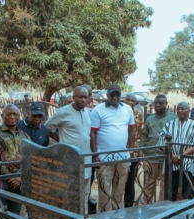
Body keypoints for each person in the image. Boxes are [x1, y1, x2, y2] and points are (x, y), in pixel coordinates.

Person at [44, 86, 93, 207]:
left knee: (85, 191)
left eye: (85, 97)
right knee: (70, 191)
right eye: (80, 97)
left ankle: (84, 216)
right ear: (74, 97)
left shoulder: (87, 112)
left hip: (86, 157)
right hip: (70, 159)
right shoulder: (63, 112)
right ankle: (69, 216)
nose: (83, 100)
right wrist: (60, 140)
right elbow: (48, 127)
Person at [90, 84, 135, 212]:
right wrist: (95, 155)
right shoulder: (98, 110)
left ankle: (117, 216)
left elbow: (131, 130)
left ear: (120, 95)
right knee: (104, 190)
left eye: (117, 95)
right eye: (112, 95)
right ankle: (104, 217)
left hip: (122, 157)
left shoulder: (127, 109)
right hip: (104, 157)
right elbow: (92, 133)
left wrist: (131, 151)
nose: (115, 97)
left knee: (119, 189)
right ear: (107, 95)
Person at [0, 105, 29, 215]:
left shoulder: (24, 136)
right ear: (2, 116)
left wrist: (20, 177)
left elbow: (29, 158)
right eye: (8, 114)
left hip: (18, 185)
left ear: (19, 116)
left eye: (15, 114)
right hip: (0, 184)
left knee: (15, 217)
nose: (12, 117)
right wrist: (11, 176)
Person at [156, 102, 194, 201]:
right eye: (178, 109)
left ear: (189, 110)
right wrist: (172, 156)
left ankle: (186, 211)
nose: (180, 111)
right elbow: (162, 143)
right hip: (171, 164)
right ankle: (171, 211)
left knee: (187, 194)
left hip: (188, 165)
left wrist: (180, 156)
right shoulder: (169, 125)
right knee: (170, 194)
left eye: (183, 108)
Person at [140, 94, 177, 204]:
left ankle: (162, 208)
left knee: (165, 184)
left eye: (160, 103)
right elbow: (144, 135)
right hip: (150, 156)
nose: (157, 105)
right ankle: (145, 206)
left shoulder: (173, 118)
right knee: (148, 183)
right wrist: (141, 151)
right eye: (155, 103)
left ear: (166, 104)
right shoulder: (150, 118)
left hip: (165, 157)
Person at [123, 93, 143, 208]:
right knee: (118, 178)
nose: (130, 102)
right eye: (128, 100)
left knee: (131, 179)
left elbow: (139, 134)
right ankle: (115, 203)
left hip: (134, 151)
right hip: (120, 149)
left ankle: (129, 203)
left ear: (135, 103)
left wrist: (138, 152)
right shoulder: (119, 112)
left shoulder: (138, 114)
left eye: (132, 100)